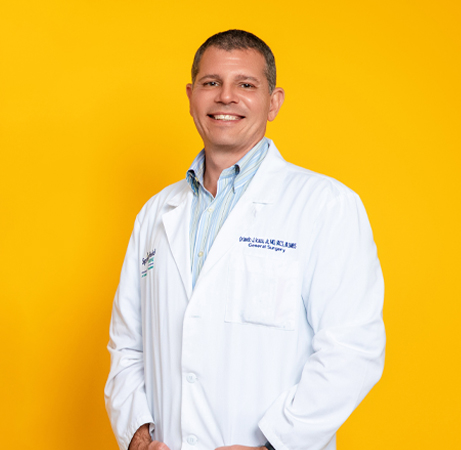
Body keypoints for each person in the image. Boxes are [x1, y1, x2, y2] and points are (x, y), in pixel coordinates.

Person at [104, 30, 385, 450]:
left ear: (274, 102)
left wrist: (276, 443)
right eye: (211, 83)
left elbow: (353, 349)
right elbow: (127, 343)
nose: (226, 97)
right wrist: (138, 434)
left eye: (246, 85)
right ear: (191, 95)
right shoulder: (157, 213)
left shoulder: (326, 205)